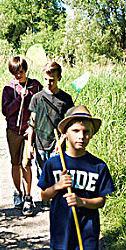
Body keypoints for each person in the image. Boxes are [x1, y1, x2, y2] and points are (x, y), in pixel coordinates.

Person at [37, 105, 115, 250]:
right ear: (65, 133)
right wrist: (57, 186)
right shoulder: (53, 164)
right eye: (76, 131)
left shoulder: (98, 166)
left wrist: (82, 202)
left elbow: (101, 201)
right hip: (61, 231)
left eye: (86, 132)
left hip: (88, 232)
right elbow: (43, 195)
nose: (81, 136)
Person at [26, 62, 74, 208]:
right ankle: (44, 198)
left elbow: (69, 123)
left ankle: (56, 200)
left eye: (52, 80)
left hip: (57, 143)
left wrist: (63, 140)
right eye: (46, 79)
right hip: (40, 142)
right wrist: (29, 145)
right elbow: (31, 123)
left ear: (59, 78)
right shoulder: (37, 97)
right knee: (41, 172)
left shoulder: (65, 98)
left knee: (57, 172)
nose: (48, 83)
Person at [1, 56, 42, 216]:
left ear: (26, 69)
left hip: (28, 131)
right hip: (13, 130)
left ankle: (28, 196)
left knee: (26, 164)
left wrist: (33, 126)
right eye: (15, 73)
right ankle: (17, 192)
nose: (18, 75)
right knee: (15, 163)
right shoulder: (9, 88)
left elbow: (38, 107)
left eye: (21, 71)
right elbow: (6, 111)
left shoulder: (35, 85)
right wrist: (19, 98)